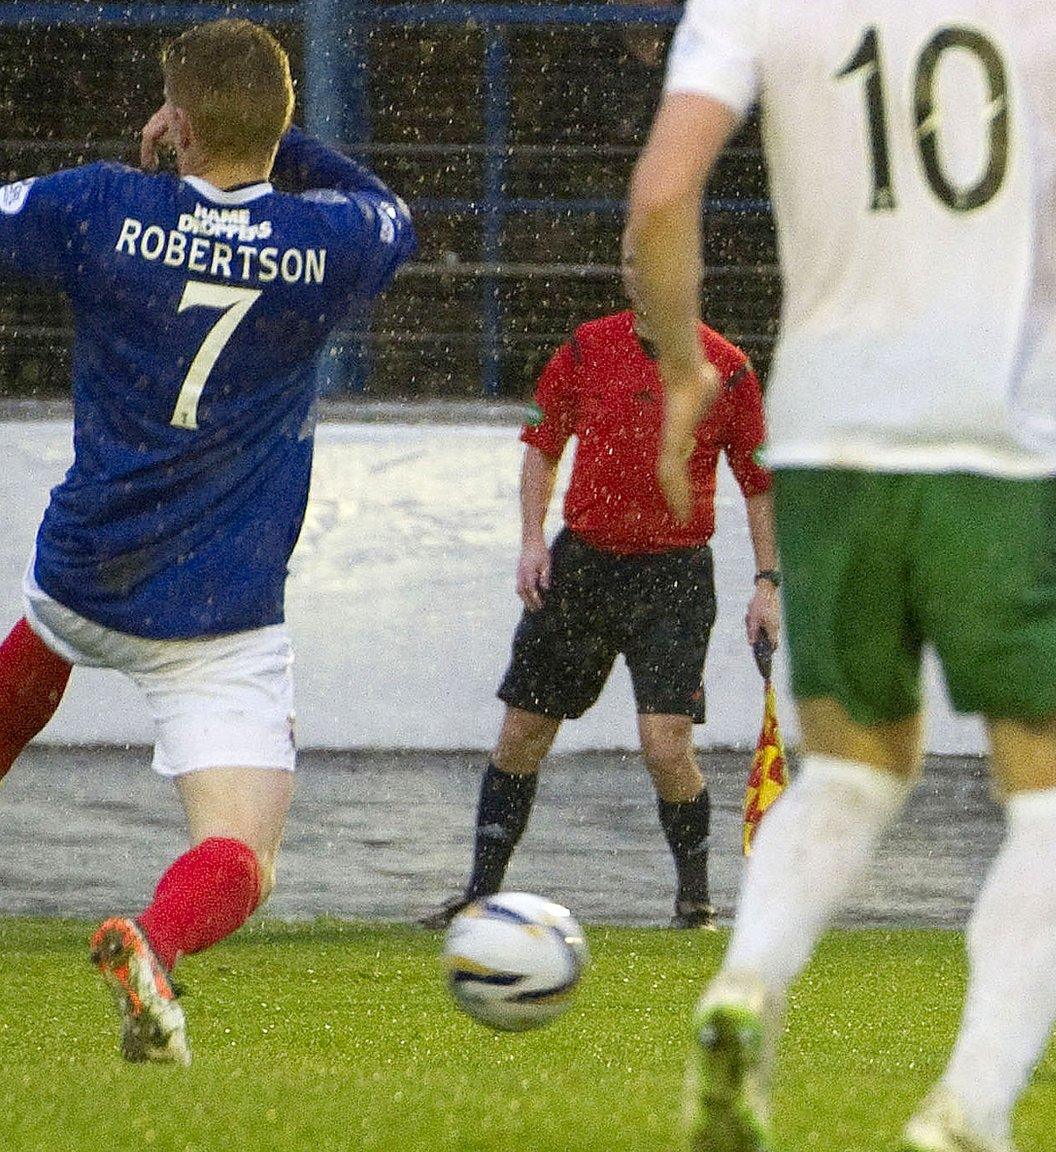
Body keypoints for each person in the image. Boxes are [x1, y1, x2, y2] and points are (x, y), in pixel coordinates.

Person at [628, 0, 1056, 1148]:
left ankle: (746, 984)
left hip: (824, 441)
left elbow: (660, 193)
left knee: (851, 769)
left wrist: (680, 370)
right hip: (998, 442)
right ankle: (969, 1108)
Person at [0, 19, 414, 1064]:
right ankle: (157, 940)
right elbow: (387, 207)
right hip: (220, 605)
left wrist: (174, 164)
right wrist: (284, 149)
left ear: (174, 122)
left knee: (38, 648)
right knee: (240, 850)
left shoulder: (97, 206)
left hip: (93, 560)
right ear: (276, 123)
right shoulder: (331, 244)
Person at [418, 307, 779, 932]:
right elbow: (541, 445)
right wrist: (532, 541)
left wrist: (767, 584)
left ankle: (695, 902)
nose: (643, 273)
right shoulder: (588, 347)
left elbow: (759, 483)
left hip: (673, 577)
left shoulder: (728, 368)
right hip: (582, 569)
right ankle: (478, 894)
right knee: (522, 733)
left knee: (666, 744)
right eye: (632, 260)